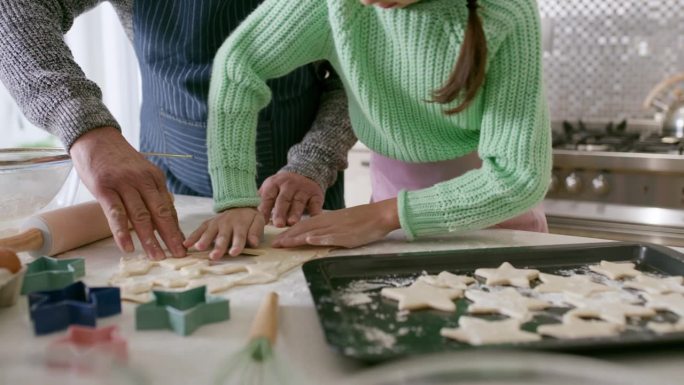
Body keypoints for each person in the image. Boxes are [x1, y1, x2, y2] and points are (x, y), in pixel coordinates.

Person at [186, 0, 552, 259]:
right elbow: (239, 64)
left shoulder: (504, 10)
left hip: (492, 214)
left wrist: (383, 217)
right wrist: (234, 198)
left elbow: (518, 179)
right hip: (386, 215)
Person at [0, 0, 355, 260]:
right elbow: (15, 9)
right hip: (167, 187)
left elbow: (356, 74)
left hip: (298, 194)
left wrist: (314, 160)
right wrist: (85, 128)